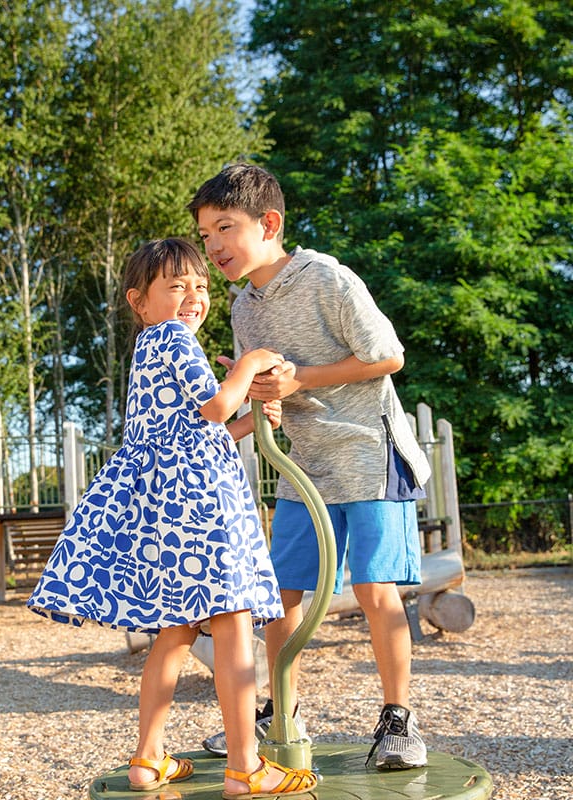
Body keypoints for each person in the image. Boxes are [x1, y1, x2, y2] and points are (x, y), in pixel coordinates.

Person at [27, 237, 319, 798]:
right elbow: (214, 407)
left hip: (168, 510)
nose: (193, 296)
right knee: (234, 624)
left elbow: (199, 431)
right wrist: (255, 363)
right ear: (140, 300)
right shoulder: (173, 338)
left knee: (176, 630)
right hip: (201, 509)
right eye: (176, 285)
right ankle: (245, 767)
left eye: (201, 285)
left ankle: (148, 758)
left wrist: (255, 418)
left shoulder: (148, 351)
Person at [187, 164, 432, 770]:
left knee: (376, 590)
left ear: (269, 224)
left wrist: (302, 376)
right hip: (304, 467)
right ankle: (283, 708)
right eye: (204, 233)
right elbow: (273, 393)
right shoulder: (244, 307)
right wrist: (248, 397)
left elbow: (389, 357)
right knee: (281, 595)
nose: (212, 245)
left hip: (370, 457)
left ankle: (399, 721)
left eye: (224, 228)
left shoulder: (328, 279)